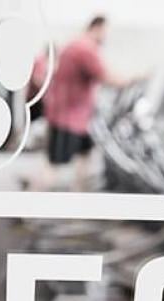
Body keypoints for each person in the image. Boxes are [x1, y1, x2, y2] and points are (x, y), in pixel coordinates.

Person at [35, 15, 131, 191]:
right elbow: (105, 76)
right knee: (53, 165)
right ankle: (29, 207)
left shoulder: (76, 44)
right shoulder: (85, 48)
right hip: (68, 117)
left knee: (86, 157)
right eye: (105, 32)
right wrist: (133, 79)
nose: (106, 37)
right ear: (97, 28)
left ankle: (78, 201)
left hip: (77, 117)